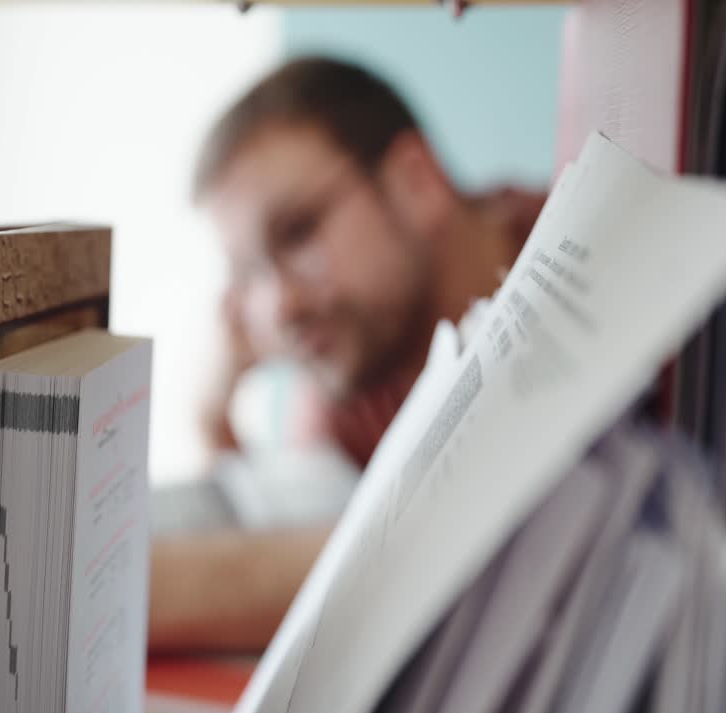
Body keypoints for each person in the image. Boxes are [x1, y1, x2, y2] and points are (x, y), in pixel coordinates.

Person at [149, 57, 545, 653]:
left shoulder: (576, 252)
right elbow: (288, 544)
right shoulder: (354, 379)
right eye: (248, 273)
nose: (279, 307)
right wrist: (214, 420)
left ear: (416, 182)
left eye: (299, 232)